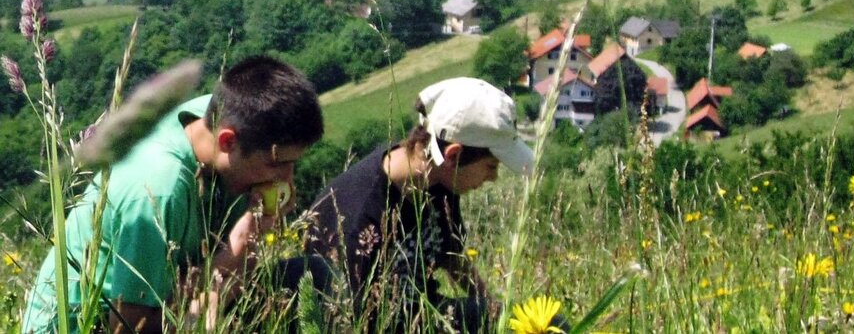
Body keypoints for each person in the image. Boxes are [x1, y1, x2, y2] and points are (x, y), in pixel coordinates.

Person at [22, 56, 324, 333]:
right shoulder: (160, 187)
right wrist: (240, 250)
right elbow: (132, 327)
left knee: (311, 277)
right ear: (228, 141)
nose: (286, 178)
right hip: (92, 325)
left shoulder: (220, 116)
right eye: (277, 164)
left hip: (168, 300)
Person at [303, 77, 534, 332]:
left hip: (427, 313)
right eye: (491, 166)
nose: (493, 178)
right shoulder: (357, 218)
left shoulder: (439, 181)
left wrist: (495, 314)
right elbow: (347, 321)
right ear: (453, 155)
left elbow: (451, 255)